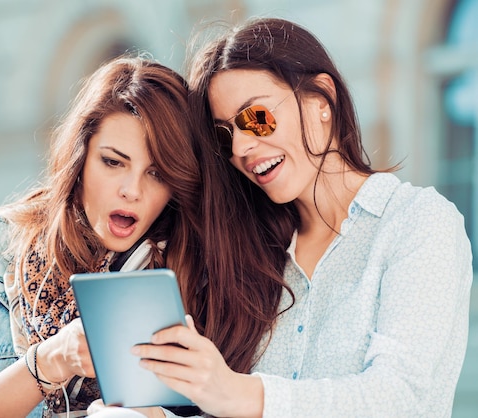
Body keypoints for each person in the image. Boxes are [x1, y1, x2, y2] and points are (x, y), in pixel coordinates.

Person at [125, 17, 474, 418]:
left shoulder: (419, 223)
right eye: (225, 135)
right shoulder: (258, 255)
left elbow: (399, 398)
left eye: (255, 117)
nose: (241, 147)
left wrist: (241, 393)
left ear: (321, 101)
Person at [0, 54, 204, 418]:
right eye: (113, 162)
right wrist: (52, 359)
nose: (131, 190)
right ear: (80, 158)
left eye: (156, 173)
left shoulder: (192, 262)